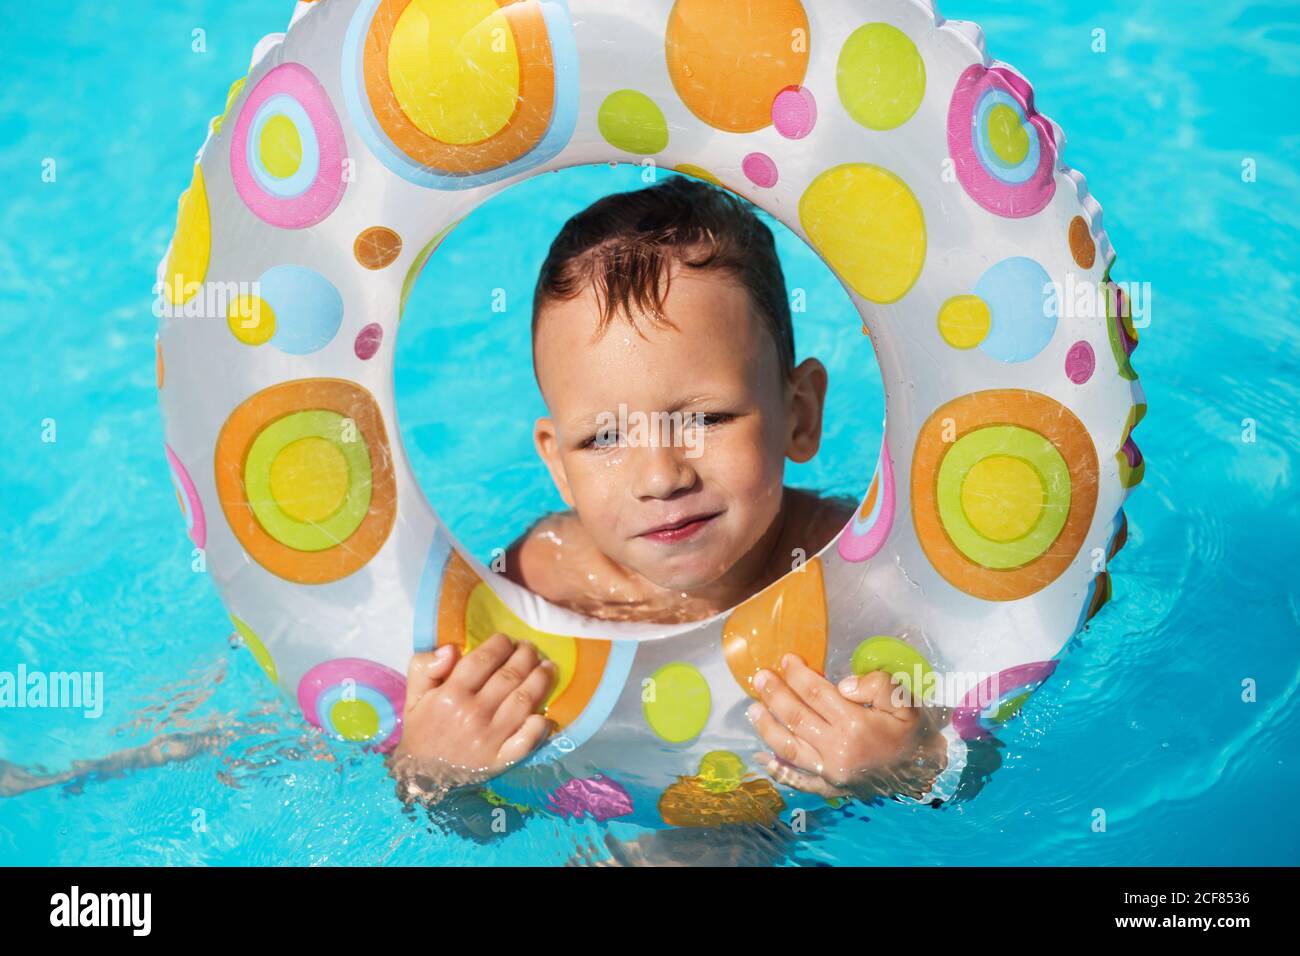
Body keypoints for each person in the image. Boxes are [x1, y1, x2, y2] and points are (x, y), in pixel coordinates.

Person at [388, 178, 966, 839]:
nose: (661, 477)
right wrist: (431, 769)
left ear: (800, 415)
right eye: (604, 438)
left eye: (707, 418)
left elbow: (991, 705)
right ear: (557, 465)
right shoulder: (538, 585)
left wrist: (916, 764)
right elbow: (482, 819)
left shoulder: (860, 571)